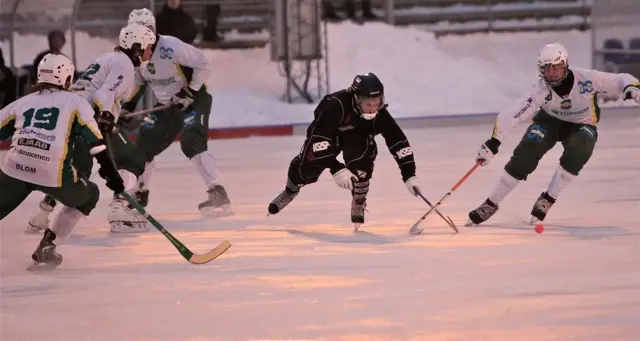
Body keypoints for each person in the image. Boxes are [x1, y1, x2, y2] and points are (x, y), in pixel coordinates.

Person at [466, 43, 640, 226]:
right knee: (526, 153)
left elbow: (622, 79)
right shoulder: (541, 89)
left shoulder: (588, 79)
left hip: (582, 124)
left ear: (565, 64)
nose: (551, 73)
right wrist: (494, 141)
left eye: (555, 68)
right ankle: (491, 203)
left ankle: (548, 199)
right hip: (549, 122)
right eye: (546, 69)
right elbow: (514, 112)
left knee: (581, 149)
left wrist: (631, 88)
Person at [25, 23, 157, 234]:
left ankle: (41, 213)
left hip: (71, 114)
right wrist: (106, 114)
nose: (151, 51)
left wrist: (113, 110)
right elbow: (103, 94)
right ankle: (119, 209)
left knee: (78, 170)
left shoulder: (107, 58)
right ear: (136, 47)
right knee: (132, 159)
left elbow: (93, 89)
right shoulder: (124, 63)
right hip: (90, 115)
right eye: (149, 46)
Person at [0, 53, 124, 267]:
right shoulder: (76, 103)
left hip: (15, 168)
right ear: (67, 79)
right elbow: (96, 142)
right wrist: (110, 174)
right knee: (89, 195)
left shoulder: (20, 103)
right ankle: (49, 244)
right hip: (53, 173)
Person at [267, 73, 421, 230]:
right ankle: (290, 190)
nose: (373, 109)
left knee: (364, 154)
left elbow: (398, 141)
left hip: (355, 137)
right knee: (306, 169)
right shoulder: (335, 106)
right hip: (326, 136)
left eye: (377, 103)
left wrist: (409, 175)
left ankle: (359, 198)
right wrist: (337, 169)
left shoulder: (379, 113)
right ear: (356, 99)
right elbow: (318, 143)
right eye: (368, 104)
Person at [123, 9, 232, 217]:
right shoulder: (135, 55)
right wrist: (127, 106)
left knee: (191, 142)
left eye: (146, 30)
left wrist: (190, 91)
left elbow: (204, 65)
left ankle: (217, 192)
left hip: (194, 101)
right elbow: (138, 82)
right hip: (166, 106)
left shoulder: (171, 46)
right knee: (143, 146)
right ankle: (140, 192)